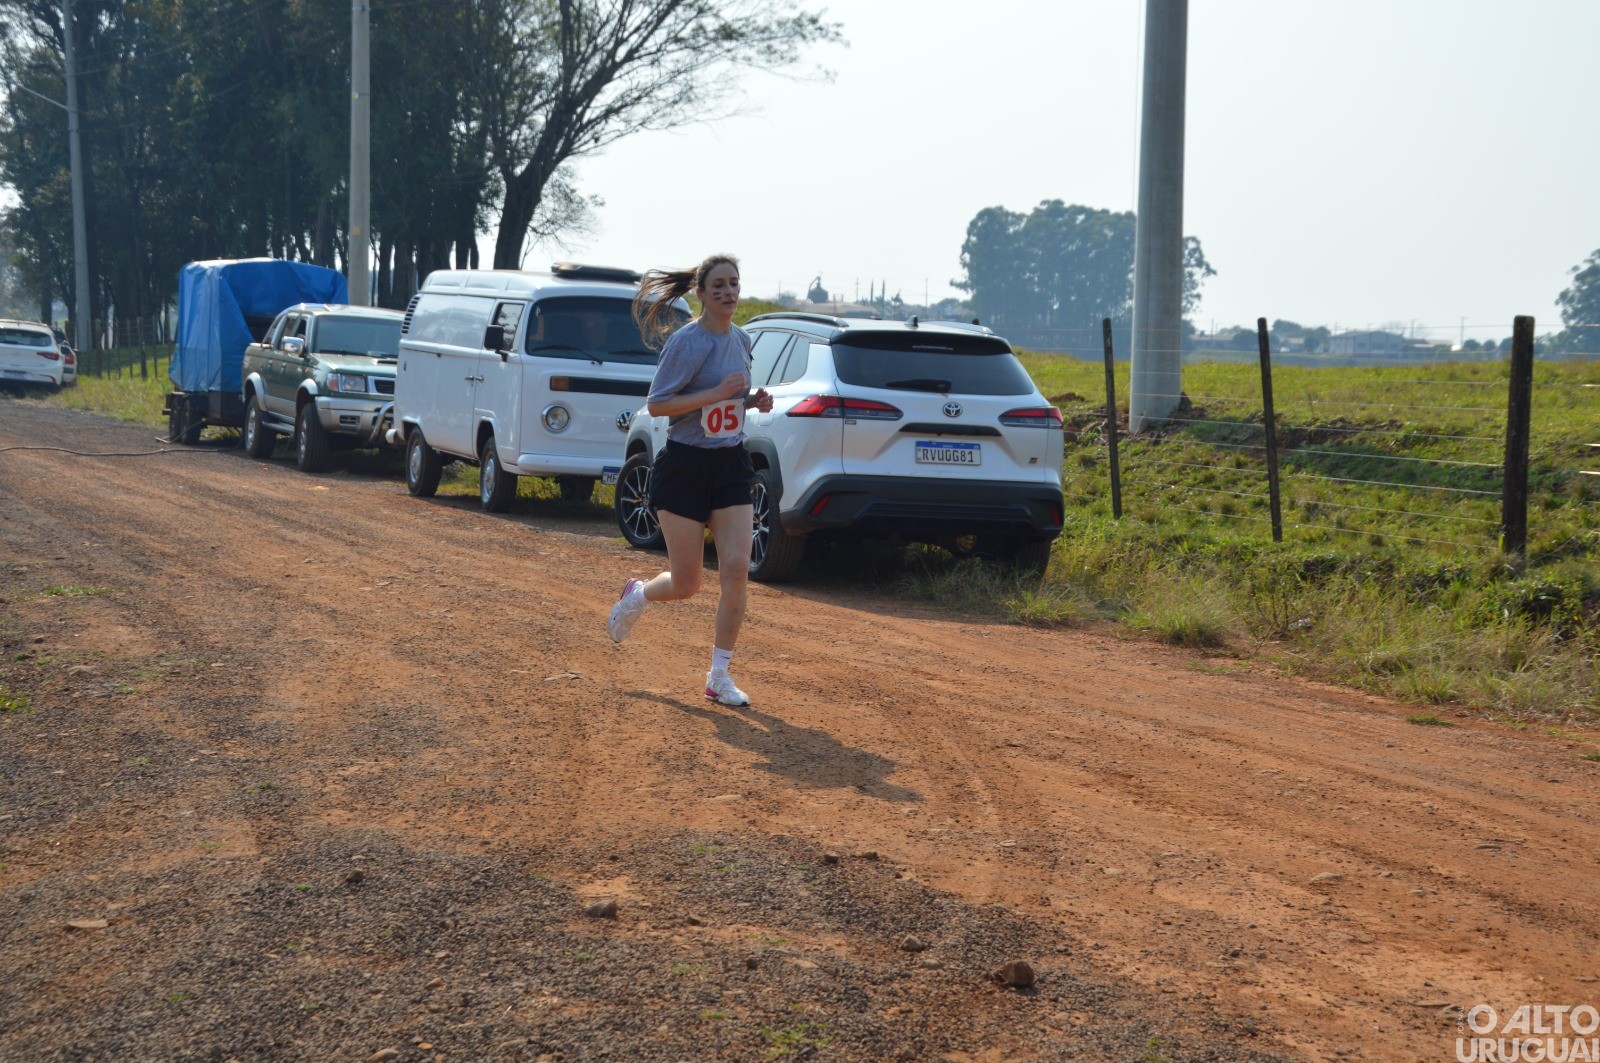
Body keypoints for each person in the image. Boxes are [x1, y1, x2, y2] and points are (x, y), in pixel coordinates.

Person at [607, 255, 774, 706]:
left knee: (736, 569)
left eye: (734, 283)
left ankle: (719, 676)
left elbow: (730, 401)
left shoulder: (741, 339)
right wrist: (716, 393)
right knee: (687, 584)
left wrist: (751, 401)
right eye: (718, 285)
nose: (728, 292)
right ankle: (638, 595)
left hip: (730, 464)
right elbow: (659, 405)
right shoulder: (687, 342)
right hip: (684, 466)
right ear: (701, 292)